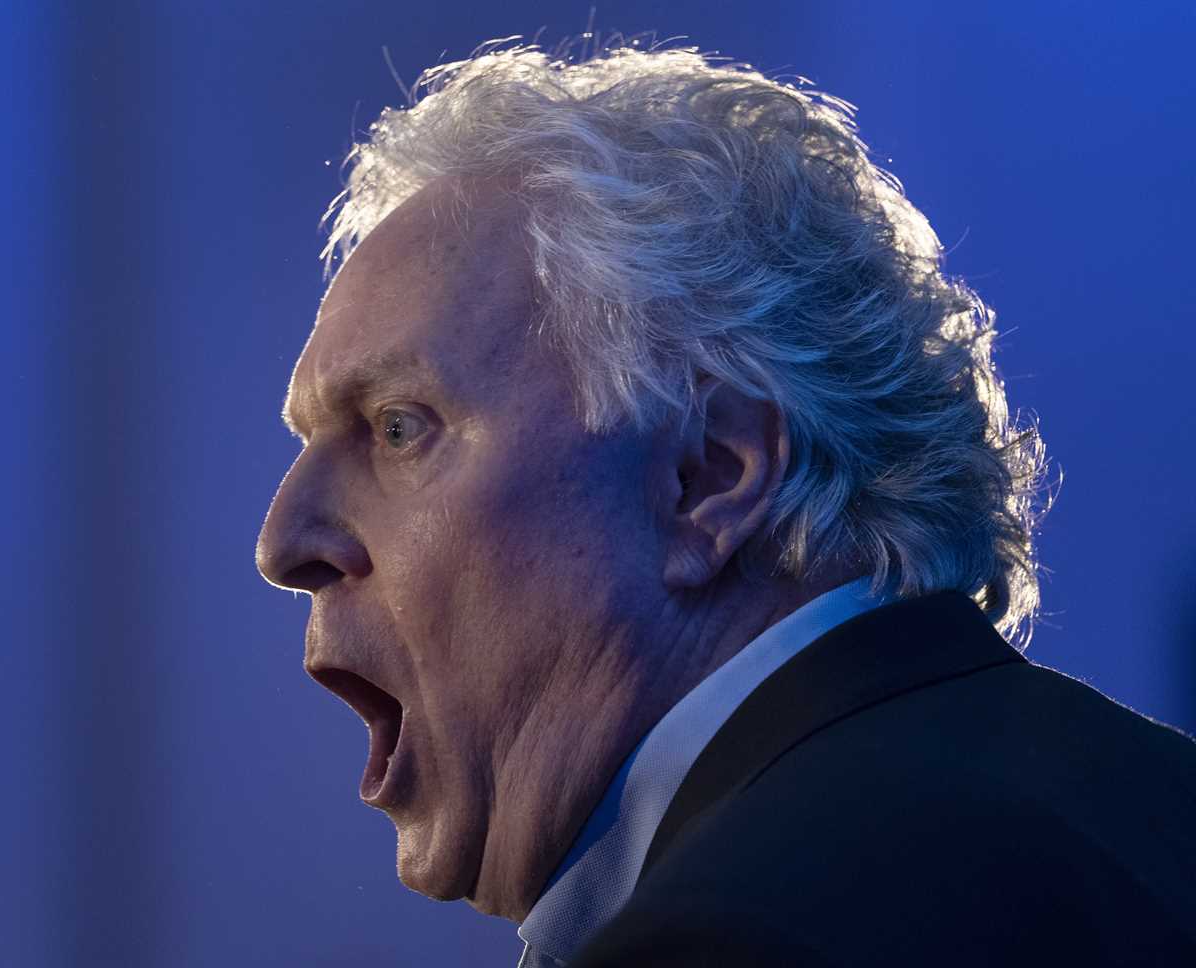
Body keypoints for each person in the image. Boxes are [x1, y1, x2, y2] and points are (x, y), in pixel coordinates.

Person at [254, 38, 1196, 966]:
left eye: (398, 427)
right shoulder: (1157, 807)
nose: (282, 542)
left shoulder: (738, 936)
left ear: (710, 478)